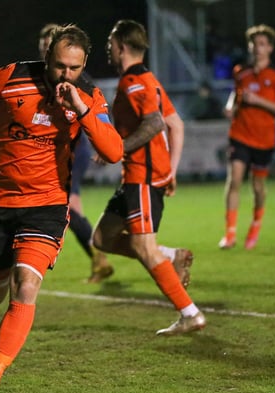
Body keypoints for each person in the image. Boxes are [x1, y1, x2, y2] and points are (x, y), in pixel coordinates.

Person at [0, 24, 124, 393]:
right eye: (58, 66)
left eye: (73, 68)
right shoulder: (13, 76)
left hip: (46, 206)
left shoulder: (89, 94)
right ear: (47, 55)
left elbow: (114, 150)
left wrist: (81, 109)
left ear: (83, 64)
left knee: (27, 285)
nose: (64, 75)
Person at [91, 19, 205, 336]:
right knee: (102, 238)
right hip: (138, 176)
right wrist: (171, 170)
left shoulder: (134, 81)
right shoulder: (149, 80)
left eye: (110, 45)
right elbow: (175, 124)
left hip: (142, 176)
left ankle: (190, 313)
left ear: (122, 46)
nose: (108, 51)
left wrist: (119, 148)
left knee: (143, 248)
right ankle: (173, 256)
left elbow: (155, 124)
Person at [38, 23, 113, 283]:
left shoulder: (77, 78)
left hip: (75, 152)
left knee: (68, 207)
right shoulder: (38, 75)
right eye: (45, 45)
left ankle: (100, 258)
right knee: (71, 209)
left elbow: (95, 110)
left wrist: (100, 144)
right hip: (55, 154)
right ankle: (99, 259)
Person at [219, 24, 275, 250]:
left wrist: (259, 101)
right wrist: (230, 106)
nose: (257, 48)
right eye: (254, 44)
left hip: (264, 139)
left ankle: (255, 226)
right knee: (234, 180)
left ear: (270, 48)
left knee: (258, 187)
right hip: (240, 134)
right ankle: (230, 234)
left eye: (262, 44)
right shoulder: (240, 71)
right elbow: (236, 93)